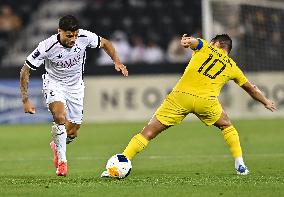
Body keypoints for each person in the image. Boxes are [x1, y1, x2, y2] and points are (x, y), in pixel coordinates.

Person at [101, 34, 276, 177]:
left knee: (148, 132)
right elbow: (251, 89)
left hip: (180, 97)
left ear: (215, 43)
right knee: (227, 125)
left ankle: (120, 164)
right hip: (206, 102)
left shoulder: (206, 46)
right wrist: (266, 101)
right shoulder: (233, 66)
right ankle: (240, 164)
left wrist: (187, 41)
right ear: (228, 51)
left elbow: (194, 41)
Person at [20, 15, 128, 176]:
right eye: (69, 36)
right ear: (60, 32)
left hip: (75, 86)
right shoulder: (46, 47)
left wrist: (117, 62)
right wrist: (25, 100)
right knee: (59, 116)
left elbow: (105, 43)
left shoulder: (84, 36)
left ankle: (56, 145)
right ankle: (62, 162)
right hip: (54, 83)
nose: (73, 39)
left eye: (75, 35)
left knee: (73, 131)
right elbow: (25, 70)